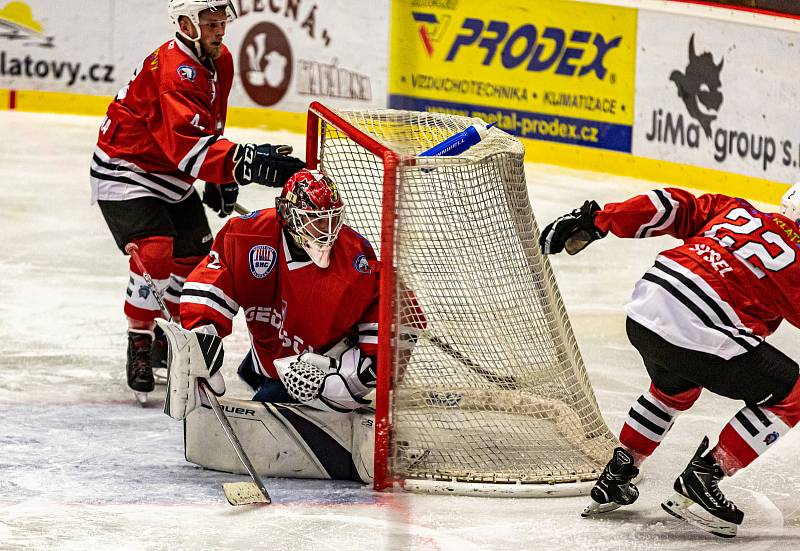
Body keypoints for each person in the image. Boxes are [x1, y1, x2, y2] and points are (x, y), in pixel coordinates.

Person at [540, 184, 800, 538]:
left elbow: (673, 204)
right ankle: (703, 479)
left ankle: (619, 471)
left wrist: (600, 220)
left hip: (648, 307)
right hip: (699, 325)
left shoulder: (739, 211)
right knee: (791, 393)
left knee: (673, 388)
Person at [89, 0, 305, 396]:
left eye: (221, 21)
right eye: (209, 23)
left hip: (171, 170)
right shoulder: (175, 72)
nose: (219, 30)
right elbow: (187, 146)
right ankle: (140, 337)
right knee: (156, 254)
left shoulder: (219, 61)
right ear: (186, 24)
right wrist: (243, 162)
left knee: (193, 264)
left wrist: (219, 174)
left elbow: (205, 126)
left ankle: (162, 339)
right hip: (126, 168)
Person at [156, 168, 381, 422]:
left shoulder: (353, 259)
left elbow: (389, 314)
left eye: (330, 219)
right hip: (271, 351)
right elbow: (211, 283)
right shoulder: (247, 234)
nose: (326, 230)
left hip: (320, 368)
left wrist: (343, 381)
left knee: (264, 409)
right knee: (258, 373)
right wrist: (200, 338)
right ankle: (260, 371)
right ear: (288, 215)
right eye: (315, 220)